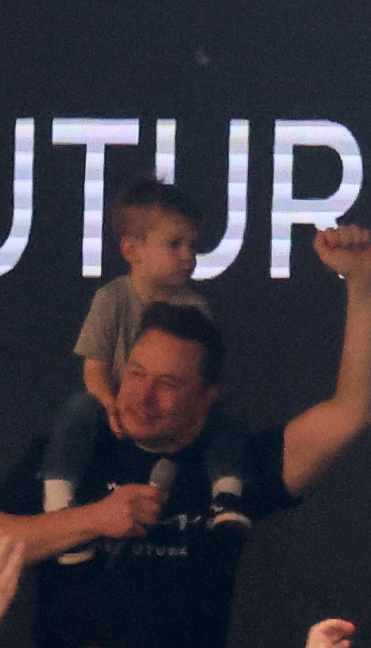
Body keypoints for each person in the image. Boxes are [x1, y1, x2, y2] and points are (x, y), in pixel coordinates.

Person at [0, 224, 371, 648]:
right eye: (136, 374)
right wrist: (94, 517)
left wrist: (362, 285)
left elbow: (353, 414)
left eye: (168, 384)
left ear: (208, 396)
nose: (142, 396)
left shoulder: (234, 464)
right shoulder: (75, 452)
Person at [41, 177, 252, 529]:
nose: (189, 256)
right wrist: (110, 404)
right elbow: (94, 369)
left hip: (171, 419)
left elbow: (204, 379)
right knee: (78, 409)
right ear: (132, 251)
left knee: (224, 419)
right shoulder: (111, 299)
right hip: (117, 411)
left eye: (192, 246)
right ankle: (59, 498)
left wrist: (197, 414)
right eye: (175, 244)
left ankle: (227, 495)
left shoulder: (196, 307)